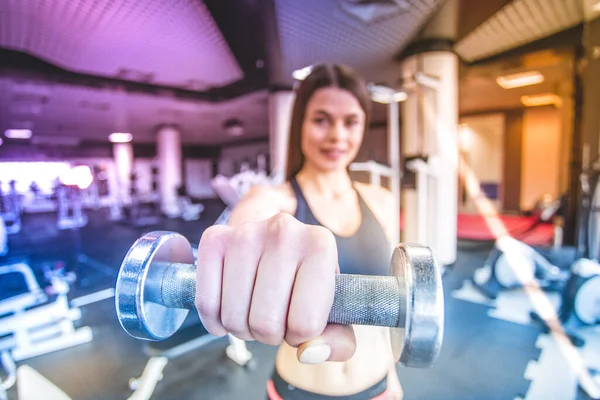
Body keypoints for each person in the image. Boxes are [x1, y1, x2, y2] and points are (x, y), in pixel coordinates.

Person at [195, 63, 403, 399]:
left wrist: (393, 380)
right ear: (300, 125)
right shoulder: (268, 203)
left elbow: (389, 304)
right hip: (298, 390)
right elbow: (226, 278)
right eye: (322, 120)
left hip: (378, 385)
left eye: (350, 122)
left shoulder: (383, 201)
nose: (337, 135)